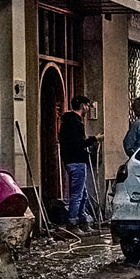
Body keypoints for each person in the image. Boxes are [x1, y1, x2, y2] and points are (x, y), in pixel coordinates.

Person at [59, 95, 102, 233]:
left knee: (82, 194)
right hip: (77, 161)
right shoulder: (75, 123)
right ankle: (72, 223)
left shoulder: (67, 122)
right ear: (83, 106)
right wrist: (95, 139)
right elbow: (78, 144)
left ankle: (83, 221)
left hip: (71, 161)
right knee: (77, 194)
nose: (88, 108)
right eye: (88, 106)